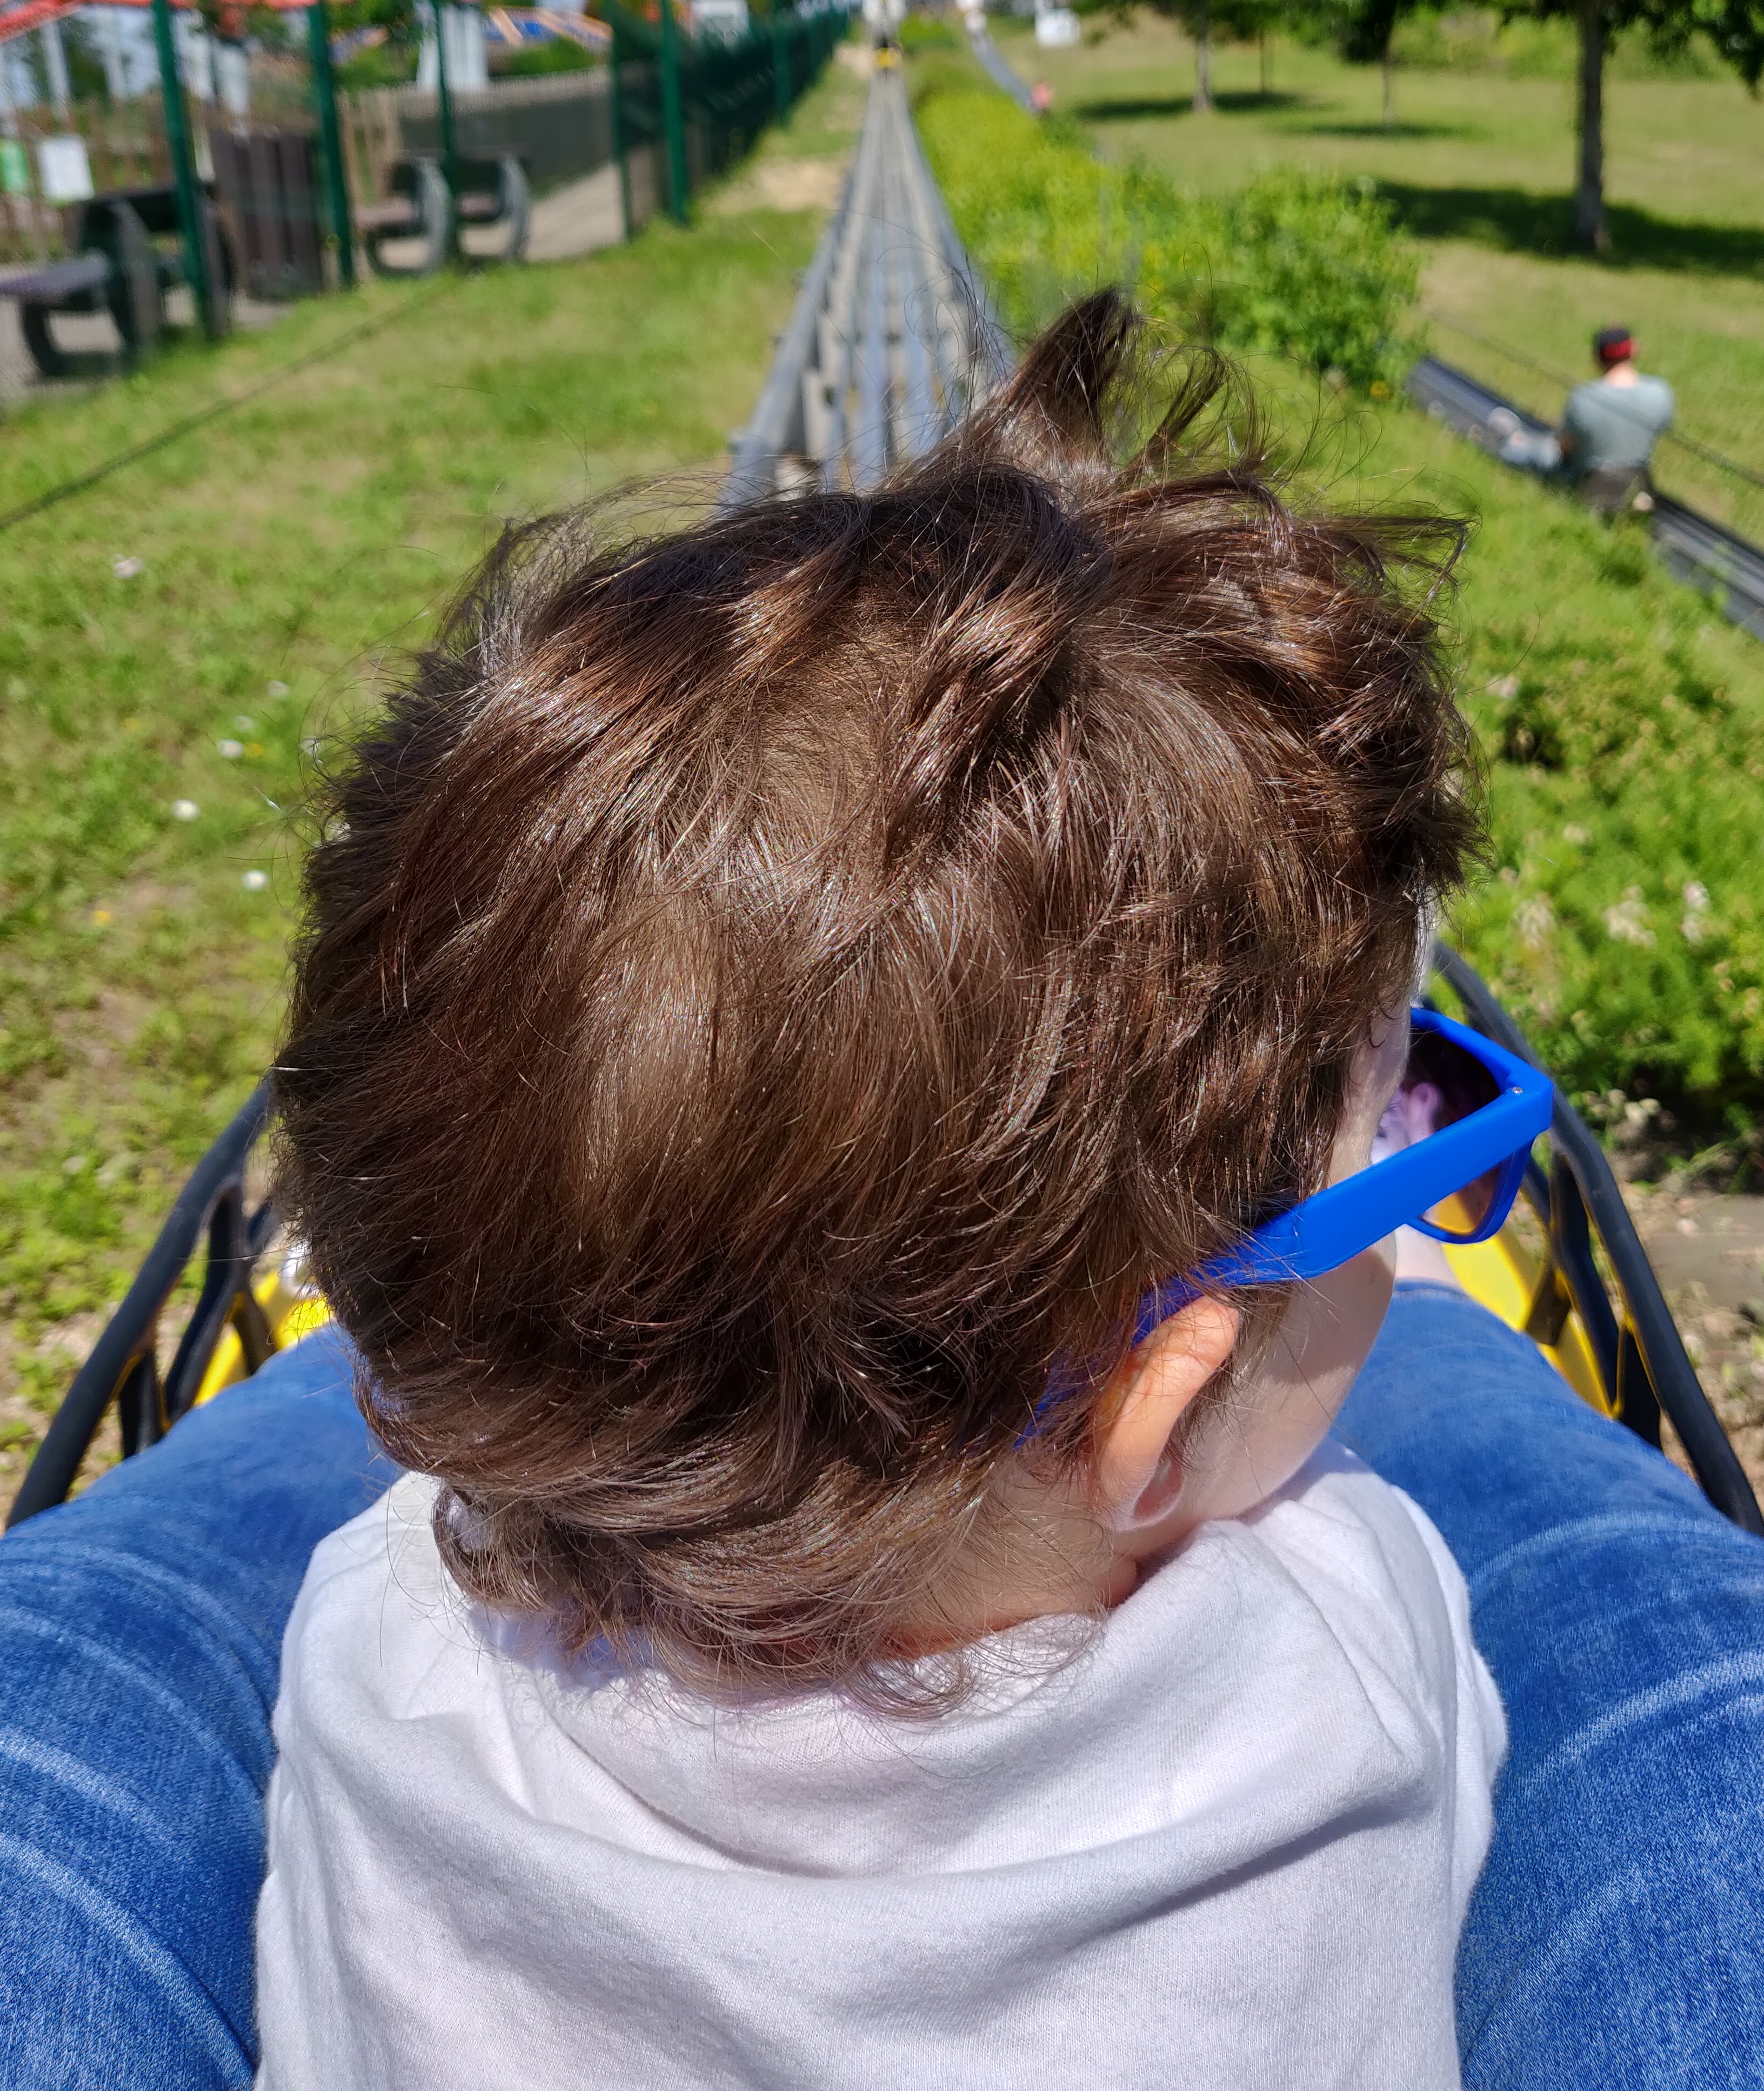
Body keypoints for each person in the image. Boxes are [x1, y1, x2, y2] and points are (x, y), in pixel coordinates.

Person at [256, 292, 1507, 2088]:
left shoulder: (380, 1635)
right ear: (1151, 1417)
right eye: (1398, 1139)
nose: (1402, 1188)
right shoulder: (1339, 1669)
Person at [1558, 325, 1674, 510]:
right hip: (1638, 481)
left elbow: (1564, 448)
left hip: (1589, 482)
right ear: (1634, 350)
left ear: (1597, 357)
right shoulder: (1660, 392)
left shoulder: (1583, 396)